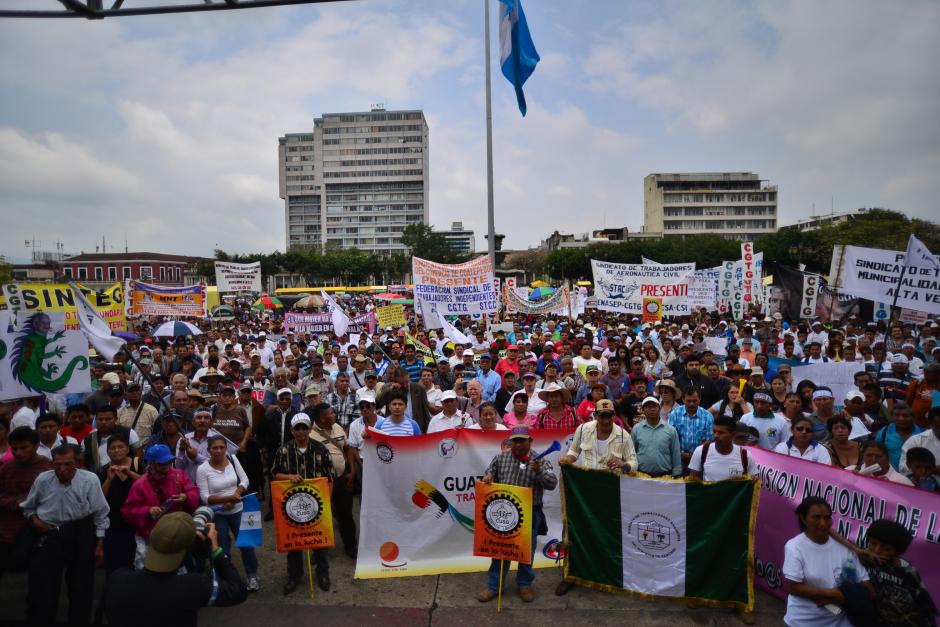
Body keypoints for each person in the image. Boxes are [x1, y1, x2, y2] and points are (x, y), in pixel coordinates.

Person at [104, 512, 248, 626]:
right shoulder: (193, 586)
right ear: (187, 550)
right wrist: (215, 549)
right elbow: (237, 591)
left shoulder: (118, 578)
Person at [21, 444, 110, 624]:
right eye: (58, 464)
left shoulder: (89, 479)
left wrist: (99, 543)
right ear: (52, 463)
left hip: (81, 532)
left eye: (68, 464)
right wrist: (34, 520)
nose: (62, 469)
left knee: (81, 587)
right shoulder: (43, 479)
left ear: (77, 462)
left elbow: (100, 512)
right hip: (49, 533)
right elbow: (28, 507)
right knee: (43, 588)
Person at [477, 426, 557, 604]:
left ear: (530, 441)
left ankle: (524, 584)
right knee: (500, 550)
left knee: (526, 551)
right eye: (516, 441)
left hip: (529, 512)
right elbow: (489, 473)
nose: (519, 445)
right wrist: (488, 477)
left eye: (523, 440)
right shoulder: (501, 457)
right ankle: (493, 586)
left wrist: (538, 471)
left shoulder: (541, 460)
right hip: (504, 511)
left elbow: (552, 484)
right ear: (510, 442)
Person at [270, 413, 335, 595]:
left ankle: (323, 574)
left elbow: (330, 477)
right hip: (293, 506)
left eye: (304, 427)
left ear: (310, 429)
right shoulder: (283, 450)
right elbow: (275, 473)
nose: (301, 432)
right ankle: (294, 576)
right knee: (294, 543)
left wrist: (327, 502)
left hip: (317, 505)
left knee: (320, 543)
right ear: (291, 430)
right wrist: (289, 476)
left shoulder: (320, 449)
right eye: (297, 428)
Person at [783, 496, 871, 627]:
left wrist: (841, 595)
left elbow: (866, 583)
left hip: (842, 622)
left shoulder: (844, 549)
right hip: (803, 622)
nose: (823, 523)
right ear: (803, 518)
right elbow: (793, 587)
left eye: (827, 517)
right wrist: (833, 594)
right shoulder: (794, 547)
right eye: (816, 517)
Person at [196, 434, 259, 591]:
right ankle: (226, 579)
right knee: (222, 547)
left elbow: (245, 480)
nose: (218, 451)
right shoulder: (203, 469)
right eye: (214, 448)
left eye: (221, 447)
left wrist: (236, 495)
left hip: (238, 509)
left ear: (226, 448)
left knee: (247, 545)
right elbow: (204, 496)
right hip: (219, 514)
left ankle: (252, 575)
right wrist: (227, 499)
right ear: (208, 450)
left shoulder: (232, 459)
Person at [122, 444, 200, 569]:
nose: (167, 465)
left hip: (175, 534)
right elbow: (127, 512)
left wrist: (186, 497)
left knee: (178, 571)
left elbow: (194, 491)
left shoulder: (179, 476)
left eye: (169, 461)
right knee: (147, 572)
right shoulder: (140, 485)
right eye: (162, 463)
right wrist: (148, 510)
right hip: (149, 537)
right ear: (151, 463)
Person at [0, 427, 51, 579]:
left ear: (36, 446)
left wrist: (27, 503)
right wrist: (18, 502)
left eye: (23, 447)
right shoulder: (6, 469)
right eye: (14, 448)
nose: (19, 452)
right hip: (6, 531)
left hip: (37, 531)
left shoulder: (48, 469)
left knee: (39, 579)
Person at [309, 403, 357, 560]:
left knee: (346, 515)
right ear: (322, 418)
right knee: (321, 517)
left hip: (342, 479)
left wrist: (352, 471)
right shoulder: (310, 434)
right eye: (330, 413)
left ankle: (350, 546)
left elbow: (347, 448)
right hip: (321, 483)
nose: (334, 415)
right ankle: (319, 550)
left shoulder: (338, 427)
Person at [99, 433, 142, 574]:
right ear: (107, 452)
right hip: (112, 524)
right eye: (112, 448)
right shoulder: (103, 470)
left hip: (136, 523)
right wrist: (109, 479)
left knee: (135, 561)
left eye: (120, 447)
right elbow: (100, 497)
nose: (116, 450)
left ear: (127, 449)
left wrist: (130, 473)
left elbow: (146, 485)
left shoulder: (137, 464)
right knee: (114, 564)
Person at [688, 416, 758, 482]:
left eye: (721, 433)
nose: (716, 436)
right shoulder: (701, 451)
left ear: (733, 435)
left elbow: (754, 481)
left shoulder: (745, 455)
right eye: (714, 431)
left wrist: (754, 479)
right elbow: (693, 482)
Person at [632, 397, 683, 478]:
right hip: (642, 475)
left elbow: (675, 454)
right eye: (648, 407)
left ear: (659, 409)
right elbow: (632, 453)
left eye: (654, 406)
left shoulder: (671, 430)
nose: (652, 409)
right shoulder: (636, 429)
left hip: (665, 476)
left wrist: (677, 474)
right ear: (643, 410)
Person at [83, 405, 142, 472]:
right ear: (95, 420)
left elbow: (139, 454)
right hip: (100, 477)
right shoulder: (89, 438)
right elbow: (85, 462)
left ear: (116, 419)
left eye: (108, 419)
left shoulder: (128, 433)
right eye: (100, 419)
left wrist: (130, 469)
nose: (103, 422)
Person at [669, 388, 715, 471]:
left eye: (695, 401)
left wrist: (695, 455)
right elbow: (670, 437)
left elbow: (709, 440)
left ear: (700, 400)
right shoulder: (675, 413)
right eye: (688, 401)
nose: (691, 404)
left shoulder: (707, 416)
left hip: (701, 458)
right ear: (683, 399)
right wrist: (681, 453)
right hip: (679, 458)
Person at [874, 402, 923, 471]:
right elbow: (876, 452)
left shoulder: (923, 434)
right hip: (889, 476)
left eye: (905, 415)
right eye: (896, 415)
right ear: (892, 417)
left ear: (913, 417)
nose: (901, 418)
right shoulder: (884, 432)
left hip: (915, 476)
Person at [899, 406, 940, 475]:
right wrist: (931, 470)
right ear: (930, 425)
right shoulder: (916, 441)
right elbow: (903, 468)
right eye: (939, 427)